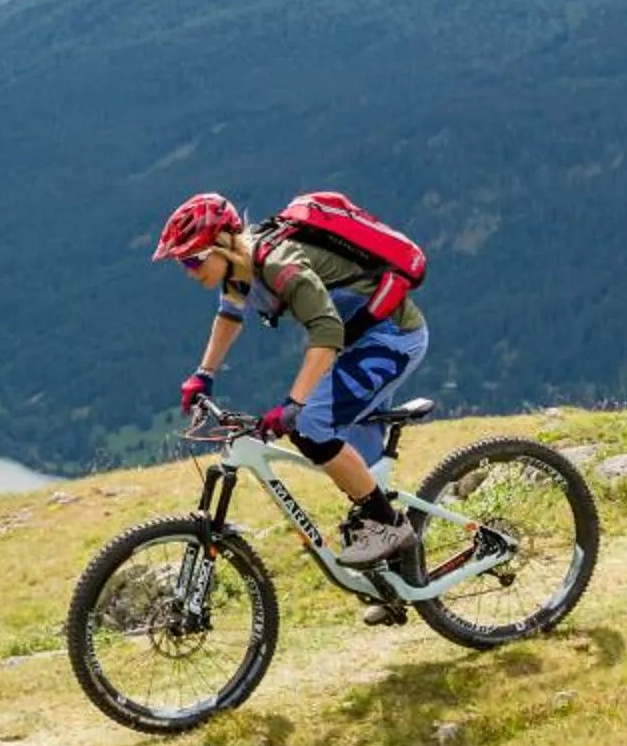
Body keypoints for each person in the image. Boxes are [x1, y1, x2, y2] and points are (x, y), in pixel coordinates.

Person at [152, 193, 426, 567]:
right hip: (355, 344)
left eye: (193, 258)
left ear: (223, 246)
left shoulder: (280, 266)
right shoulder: (239, 272)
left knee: (311, 425)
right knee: (355, 467)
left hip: (391, 339)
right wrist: (203, 375)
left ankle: (389, 526)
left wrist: (293, 406)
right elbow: (229, 314)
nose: (188, 269)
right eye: (182, 261)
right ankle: (400, 580)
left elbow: (327, 332)